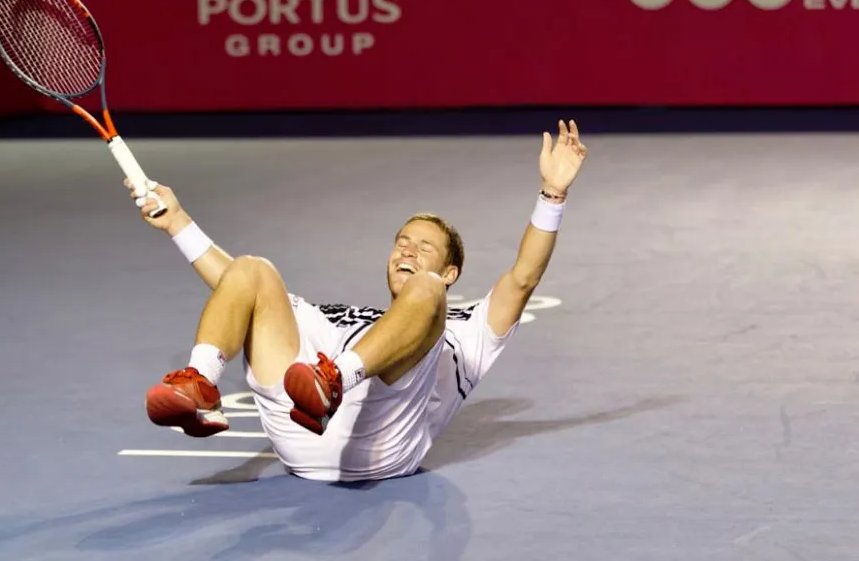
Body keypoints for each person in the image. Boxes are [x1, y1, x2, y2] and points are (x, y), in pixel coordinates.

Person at [131, 120, 587, 482]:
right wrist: (177, 222)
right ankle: (201, 383)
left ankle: (338, 378)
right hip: (300, 430)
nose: (408, 250)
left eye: (424, 247)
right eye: (402, 242)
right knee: (252, 268)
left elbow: (524, 278)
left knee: (423, 293)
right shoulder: (327, 318)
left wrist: (554, 194)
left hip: (380, 449)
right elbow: (235, 286)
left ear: (452, 273)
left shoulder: (468, 332)